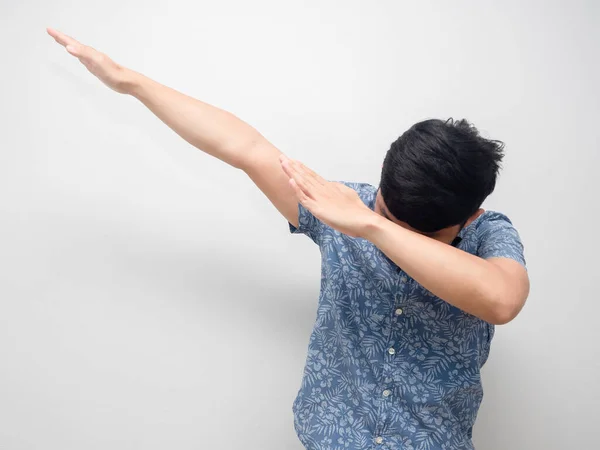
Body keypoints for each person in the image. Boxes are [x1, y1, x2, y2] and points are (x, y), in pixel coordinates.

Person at [47, 27, 530, 450]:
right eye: (384, 210)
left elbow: (502, 301)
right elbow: (245, 147)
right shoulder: (340, 203)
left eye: (413, 230)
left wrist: (373, 226)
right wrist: (127, 81)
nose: (383, 224)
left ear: (470, 217)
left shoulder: (487, 233)